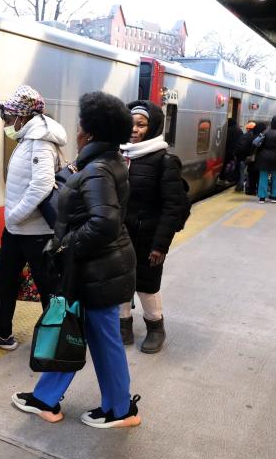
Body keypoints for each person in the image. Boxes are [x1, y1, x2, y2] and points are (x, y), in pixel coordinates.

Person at [11, 91, 141, 429]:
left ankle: (120, 409)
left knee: (100, 339)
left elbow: (104, 223)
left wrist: (64, 246)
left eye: (81, 125)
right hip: (98, 267)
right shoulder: (103, 162)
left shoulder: (97, 169)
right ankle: (46, 398)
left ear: (91, 133)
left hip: (96, 268)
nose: (77, 130)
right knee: (74, 329)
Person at [0, 85, 66, 350]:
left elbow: (42, 185)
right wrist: (13, 222)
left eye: (7, 116)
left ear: (21, 116)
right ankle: (2, 334)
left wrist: (14, 215)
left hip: (36, 232)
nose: (5, 121)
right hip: (17, 231)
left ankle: (58, 340)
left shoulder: (39, 142)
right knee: (5, 280)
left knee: (48, 287)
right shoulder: (28, 137)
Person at [118, 100, 186, 354]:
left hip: (148, 236)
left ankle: (155, 327)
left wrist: (161, 244)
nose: (134, 129)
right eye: (130, 123)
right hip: (119, 234)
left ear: (153, 126)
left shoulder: (165, 160)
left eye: (141, 124)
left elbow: (172, 207)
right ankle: (123, 325)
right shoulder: (119, 154)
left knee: (146, 285)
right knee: (119, 281)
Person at [243, 121, 265, 197]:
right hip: (261, 159)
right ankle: (259, 190)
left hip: (252, 160)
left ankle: (250, 190)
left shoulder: (251, 136)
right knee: (259, 176)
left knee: (251, 175)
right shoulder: (262, 137)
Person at [233, 121, 252, 193]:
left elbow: (240, 147)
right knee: (249, 173)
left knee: (242, 173)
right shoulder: (256, 136)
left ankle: (240, 186)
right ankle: (248, 186)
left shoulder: (245, 136)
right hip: (252, 158)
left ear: (248, 129)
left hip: (243, 158)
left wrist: (236, 155)